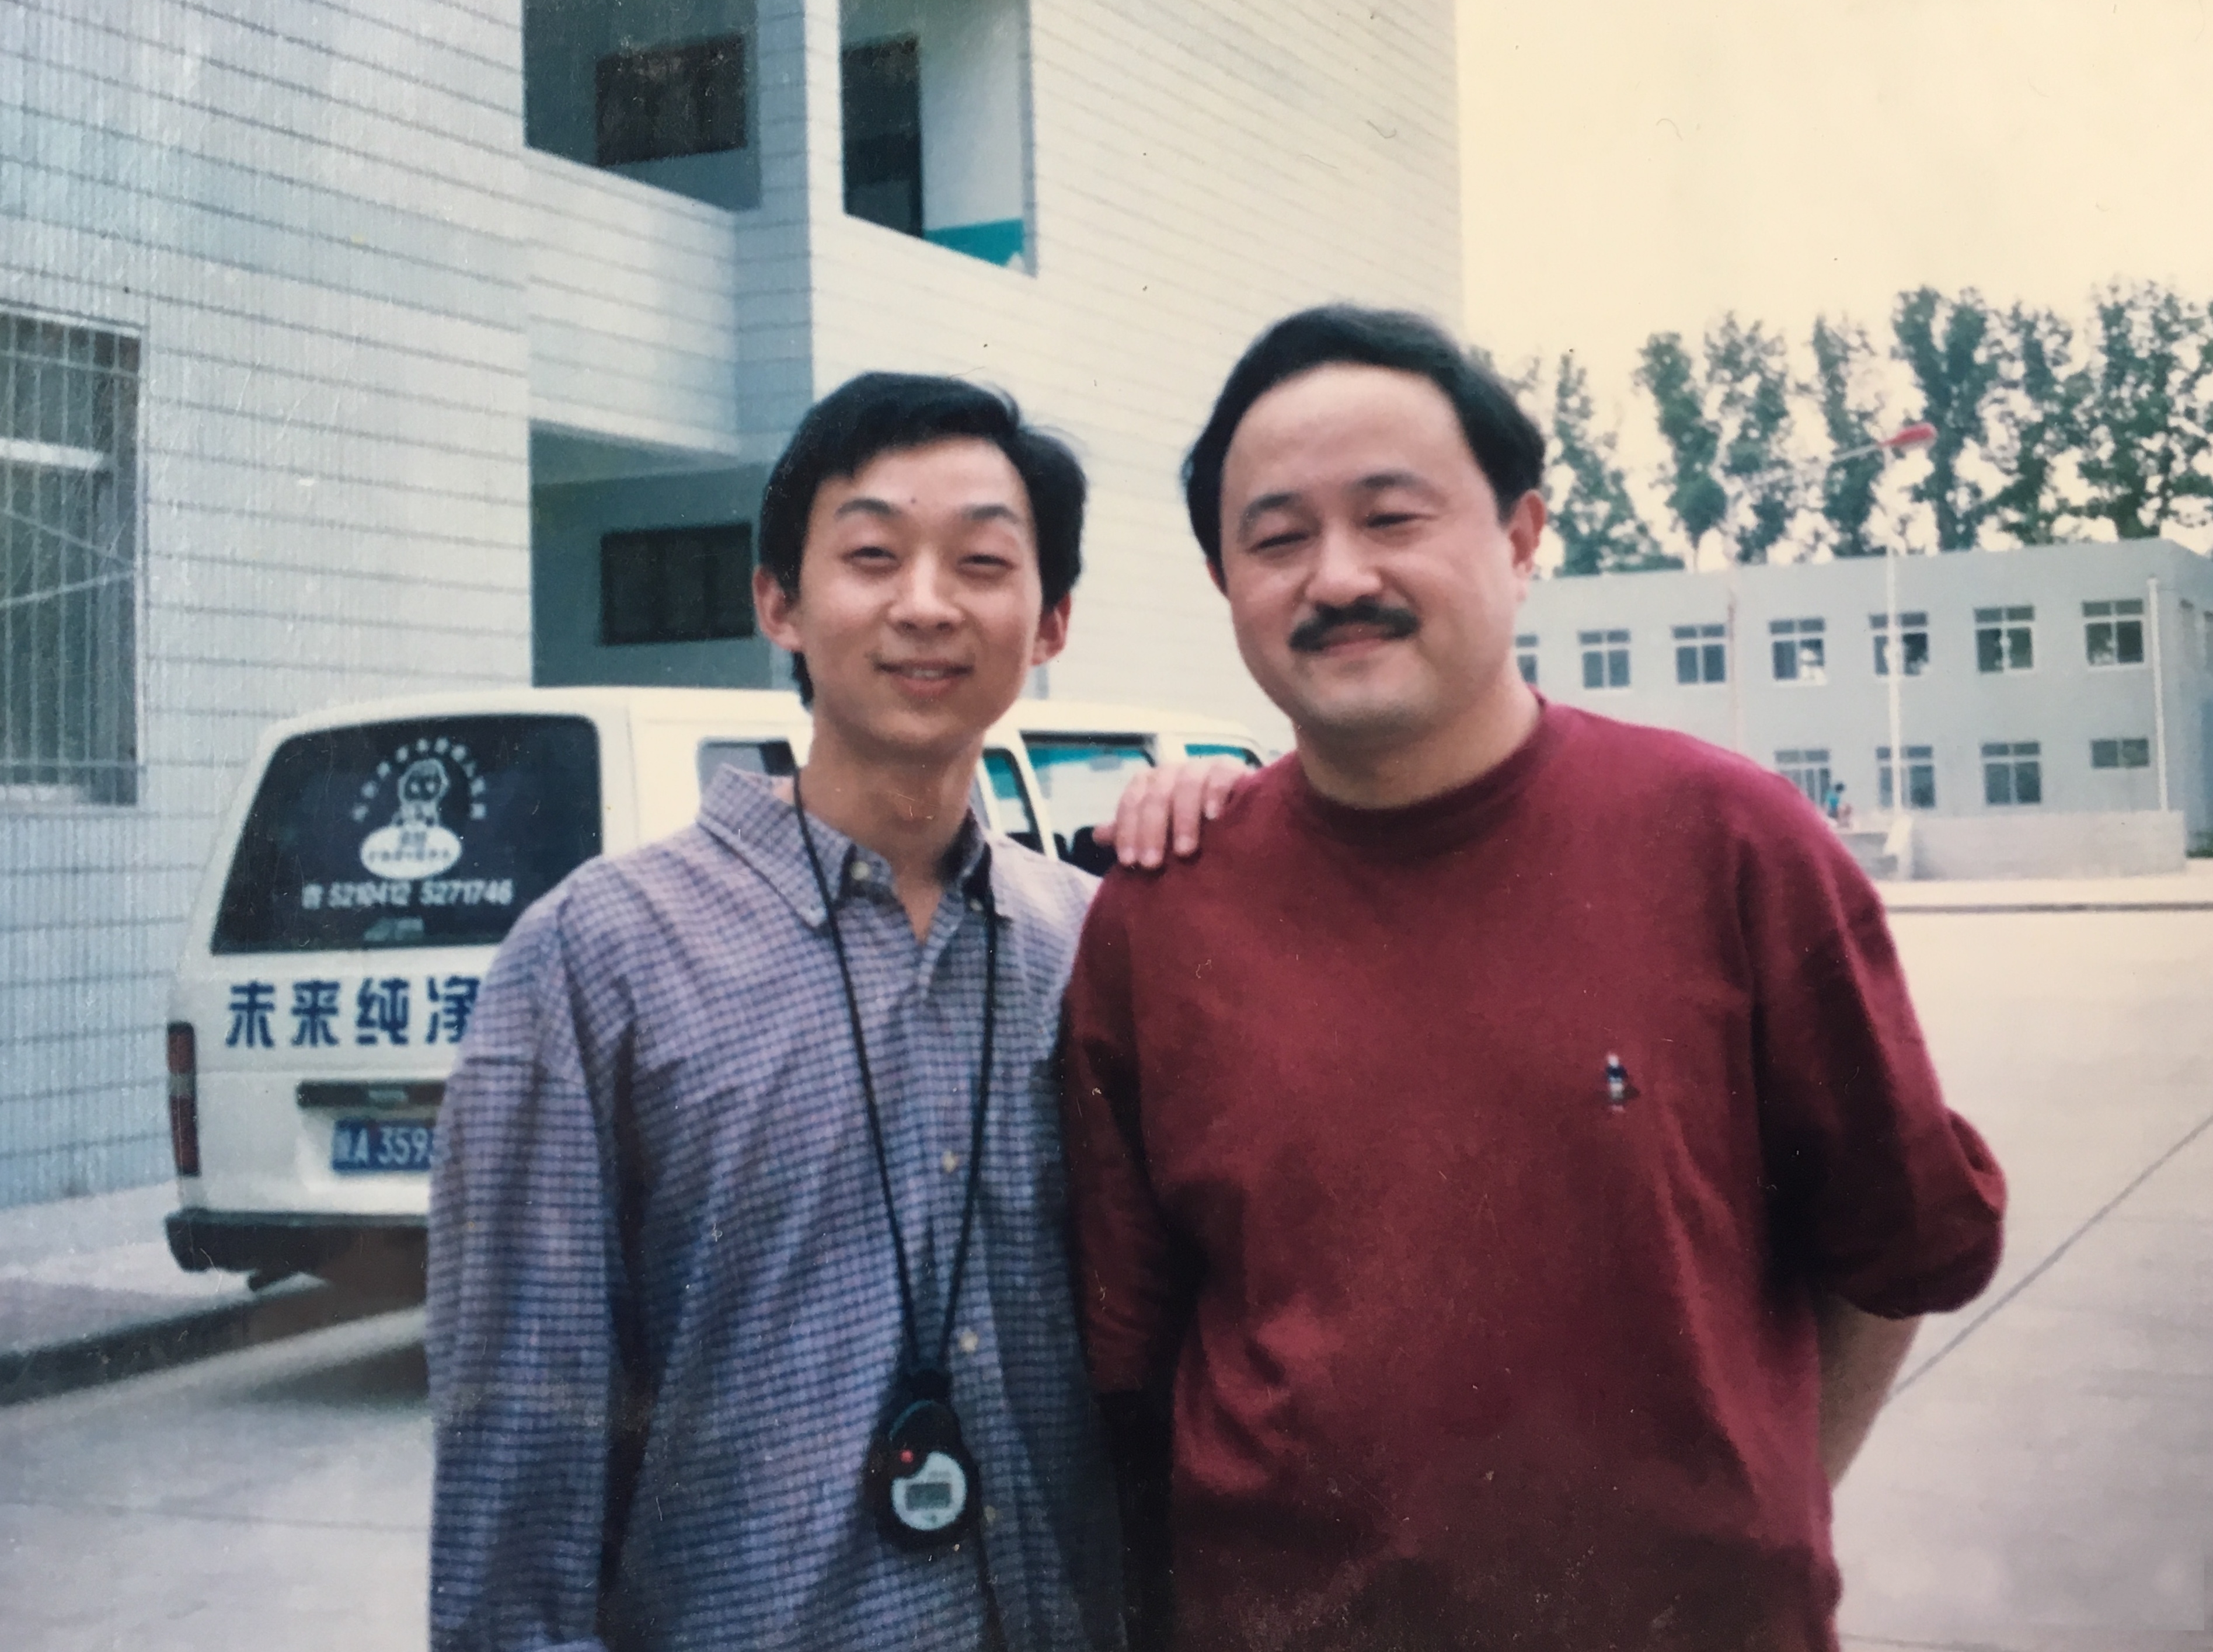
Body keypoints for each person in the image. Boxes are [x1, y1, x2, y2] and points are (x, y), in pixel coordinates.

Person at [1060, 306, 2008, 1652]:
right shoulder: (1160, 914)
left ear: (1519, 537)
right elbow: (1131, 1353)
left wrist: (1758, 1517)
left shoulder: (1732, 845)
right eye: (1276, 539)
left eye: (1393, 517)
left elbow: (1896, 1248)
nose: (1338, 576)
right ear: (1225, 581)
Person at [428, 372, 1130, 1651]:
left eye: (982, 562)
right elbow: (520, 1455)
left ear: (1052, 623)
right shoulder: (596, 957)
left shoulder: (1094, 947)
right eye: (873, 555)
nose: (927, 604)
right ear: (779, 603)